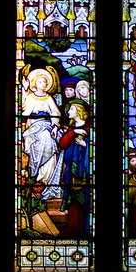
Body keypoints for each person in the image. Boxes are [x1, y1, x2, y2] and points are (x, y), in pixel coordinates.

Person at [21, 68, 63, 199]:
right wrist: (24, 90)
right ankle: (36, 175)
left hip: (48, 126)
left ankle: (47, 178)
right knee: (44, 136)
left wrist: (55, 127)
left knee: (50, 138)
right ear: (35, 84)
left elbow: (55, 114)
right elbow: (24, 112)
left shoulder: (49, 98)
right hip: (33, 127)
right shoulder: (30, 97)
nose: (43, 84)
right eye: (40, 82)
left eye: (45, 82)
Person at [58, 99, 90, 236]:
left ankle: (86, 229)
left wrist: (86, 145)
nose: (68, 112)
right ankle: (74, 227)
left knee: (85, 199)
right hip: (72, 170)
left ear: (78, 111)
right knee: (73, 200)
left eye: (71, 109)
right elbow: (63, 144)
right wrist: (73, 132)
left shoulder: (90, 128)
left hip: (86, 170)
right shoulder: (72, 129)